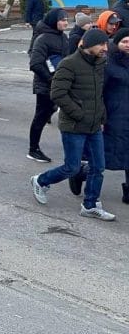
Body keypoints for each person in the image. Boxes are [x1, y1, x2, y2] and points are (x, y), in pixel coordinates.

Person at [30, 29, 116, 221]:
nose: (105, 48)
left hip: (94, 126)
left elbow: (97, 94)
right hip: (73, 126)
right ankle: (41, 180)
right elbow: (58, 94)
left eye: (106, 44)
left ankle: (90, 205)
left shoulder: (100, 63)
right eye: (100, 44)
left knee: (98, 167)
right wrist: (80, 114)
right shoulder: (69, 64)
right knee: (72, 167)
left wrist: (101, 117)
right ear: (87, 45)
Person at [28, 8, 69, 163]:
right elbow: (35, 64)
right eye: (62, 19)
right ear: (53, 21)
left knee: (56, 114)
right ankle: (33, 149)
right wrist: (51, 80)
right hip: (45, 86)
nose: (65, 22)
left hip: (60, 84)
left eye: (66, 19)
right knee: (40, 117)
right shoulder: (43, 38)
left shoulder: (63, 37)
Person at [102, 27, 129, 205]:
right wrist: (101, 117)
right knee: (106, 157)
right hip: (114, 118)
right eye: (125, 42)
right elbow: (98, 93)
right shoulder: (107, 64)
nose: (128, 45)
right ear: (116, 43)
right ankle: (81, 173)